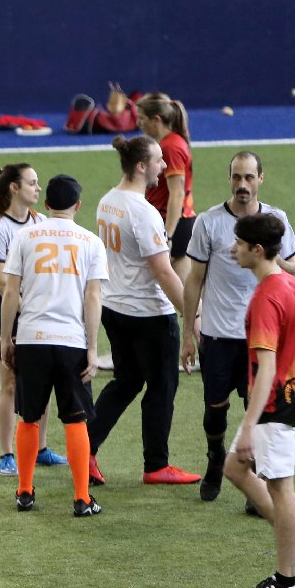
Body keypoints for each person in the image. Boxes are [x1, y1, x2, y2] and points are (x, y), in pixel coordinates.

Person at [180, 152, 295, 501]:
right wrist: (188, 333)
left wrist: (268, 254)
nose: (242, 184)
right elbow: (194, 280)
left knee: (257, 411)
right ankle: (215, 459)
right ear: (229, 179)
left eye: (248, 177)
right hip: (218, 336)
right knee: (214, 411)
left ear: (261, 178)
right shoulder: (209, 222)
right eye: (236, 177)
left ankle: (255, 483)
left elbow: (293, 270)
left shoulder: (276, 220)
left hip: (260, 338)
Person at [87, 135, 200, 487]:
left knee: (126, 381)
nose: (163, 166)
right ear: (141, 166)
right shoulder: (144, 212)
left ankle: (84, 449)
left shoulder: (108, 201)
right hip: (149, 315)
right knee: (162, 387)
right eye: (157, 160)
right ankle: (156, 465)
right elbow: (163, 272)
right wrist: (192, 317)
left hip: (114, 308)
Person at [223, 213, 295, 588]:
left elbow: (266, 366)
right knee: (235, 468)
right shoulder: (288, 282)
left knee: (281, 488)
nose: (234, 249)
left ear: (257, 249)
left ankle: (287, 582)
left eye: (239, 244)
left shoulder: (267, 297)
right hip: (290, 392)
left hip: (274, 401)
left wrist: (249, 425)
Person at [0, 175, 109, 516]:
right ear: (78, 205)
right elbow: (93, 297)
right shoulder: (91, 242)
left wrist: (5, 338)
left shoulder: (24, 237)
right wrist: (93, 348)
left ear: (46, 205)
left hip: (32, 338)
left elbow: (10, 292)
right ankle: (81, 498)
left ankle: (24, 491)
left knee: (29, 417)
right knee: (75, 420)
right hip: (72, 341)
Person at [0, 163, 68, 477]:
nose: (38, 188)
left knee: (41, 380)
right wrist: (27, 308)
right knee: (9, 383)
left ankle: (41, 448)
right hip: (10, 309)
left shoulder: (40, 222)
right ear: (14, 188)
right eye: (32, 183)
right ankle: (7, 455)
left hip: (38, 307)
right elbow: (1, 281)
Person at [138, 92, 196, 284]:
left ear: (156, 119)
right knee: (182, 292)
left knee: (174, 291)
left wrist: (168, 236)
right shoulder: (167, 143)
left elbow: (177, 194)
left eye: (142, 119)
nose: (139, 123)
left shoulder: (171, 147)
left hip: (172, 224)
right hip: (171, 222)